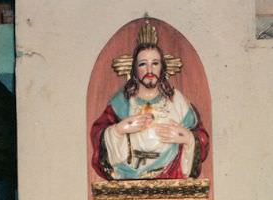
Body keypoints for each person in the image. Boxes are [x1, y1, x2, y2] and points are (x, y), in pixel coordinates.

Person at [90, 26, 209, 180]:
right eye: (142, 64)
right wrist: (119, 130)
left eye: (155, 63)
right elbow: (97, 135)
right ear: (134, 70)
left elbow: (201, 138)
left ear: (162, 68)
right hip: (127, 175)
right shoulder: (121, 102)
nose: (149, 69)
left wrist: (187, 137)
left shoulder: (177, 101)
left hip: (170, 172)